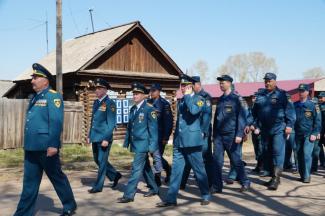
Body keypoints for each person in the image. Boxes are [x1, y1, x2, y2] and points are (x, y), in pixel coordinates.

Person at [14, 63, 77, 216]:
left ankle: (69, 205)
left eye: (35, 77)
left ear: (45, 80)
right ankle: (23, 213)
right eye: (32, 78)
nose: (32, 81)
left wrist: (53, 145)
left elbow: (56, 122)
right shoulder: (35, 98)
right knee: (29, 183)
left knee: (57, 178)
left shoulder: (53, 96)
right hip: (31, 147)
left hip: (46, 147)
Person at [156, 74, 210, 207]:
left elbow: (193, 111)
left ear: (191, 86)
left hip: (192, 141)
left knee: (199, 170)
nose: (182, 87)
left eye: (185, 85)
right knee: (176, 171)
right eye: (181, 85)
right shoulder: (181, 100)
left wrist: (186, 95)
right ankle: (171, 199)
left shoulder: (199, 99)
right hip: (179, 142)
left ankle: (205, 195)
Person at [252, 72, 296, 190]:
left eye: (269, 81)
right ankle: (273, 177)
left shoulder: (283, 95)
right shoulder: (260, 95)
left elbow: (290, 111)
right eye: (266, 81)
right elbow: (254, 112)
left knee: (277, 152)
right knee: (267, 152)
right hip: (265, 129)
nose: (267, 83)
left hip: (278, 128)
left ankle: (276, 178)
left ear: (275, 81)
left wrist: (289, 125)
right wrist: (253, 124)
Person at [117, 82, 159, 203]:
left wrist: (152, 146)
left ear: (143, 95)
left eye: (137, 94)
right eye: (133, 94)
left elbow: (153, 130)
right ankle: (154, 188)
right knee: (145, 167)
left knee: (136, 168)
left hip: (143, 144)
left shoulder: (149, 109)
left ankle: (129, 195)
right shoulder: (133, 108)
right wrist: (127, 142)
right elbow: (131, 127)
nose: (134, 96)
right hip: (136, 143)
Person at [211, 75, 250, 193]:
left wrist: (239, 134)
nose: (220, 84)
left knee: (236, 160)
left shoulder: (237, 98)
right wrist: (214, 135)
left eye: (222, 83)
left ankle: (245, 182)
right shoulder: (221, 99)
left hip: (232, 135)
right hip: (219, 136)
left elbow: (242, 117)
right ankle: (217, 186)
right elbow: (217, 118)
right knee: (217, 161)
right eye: (220, 83)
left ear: (229, 83)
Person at [87, 78, 122, 193]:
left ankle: (98, 186)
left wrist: (106, 138)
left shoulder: (110, 104)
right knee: (97, 159)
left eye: (99, 88)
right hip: (95, 136)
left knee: (102, 162)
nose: (96, 90)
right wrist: (89, 135)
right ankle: (115, 175)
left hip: (104, 138)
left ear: (105, 90)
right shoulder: (96, 102)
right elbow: (93, 120)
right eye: (96, 88)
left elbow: (111, 123)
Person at [180, 75, 213, 189]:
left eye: (191, 85)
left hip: (202, 132)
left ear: (196, 84)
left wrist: (203, 132)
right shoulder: (189, 97)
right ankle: (182, 182)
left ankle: (209, 183)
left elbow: (207, 117)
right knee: (190, 159)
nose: (189, 87)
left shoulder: (205, 97)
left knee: (205, 158)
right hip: (192, 134)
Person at [294, 84, 321, 183]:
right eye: (299, 91)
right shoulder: (295, 105)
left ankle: (307, 176)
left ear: (307, 92)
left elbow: (317, 120)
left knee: (306, 154)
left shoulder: (313, 105)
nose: (300, 92)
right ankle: (302, 175)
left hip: (308, 134)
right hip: (297, 134)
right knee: (298, 155)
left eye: (302, 91)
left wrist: (315, 132)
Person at [147, 83, 173, 186]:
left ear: (158, 92)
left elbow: (168, 122)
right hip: (149, 135)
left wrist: (166, 137)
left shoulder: (164, 104)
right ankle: (168, 168)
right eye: (151, 90)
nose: (151, 93)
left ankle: (156, 180)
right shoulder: (148, 102)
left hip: (159, 136)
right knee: (155, 156)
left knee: (156, 157)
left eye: (153, 91)